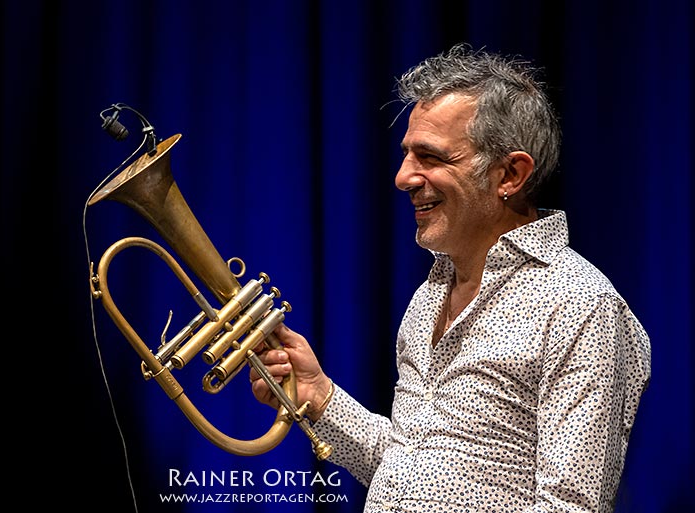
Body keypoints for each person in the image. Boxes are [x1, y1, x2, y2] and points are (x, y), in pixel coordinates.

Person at [250, 43, 651, 513]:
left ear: (510, 174)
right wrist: (319, 395)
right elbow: (409, 468)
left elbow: (571, 507)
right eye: (406, 155)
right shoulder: (430, 293)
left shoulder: (579, 303)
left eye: (431, 157)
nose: (403, 177)